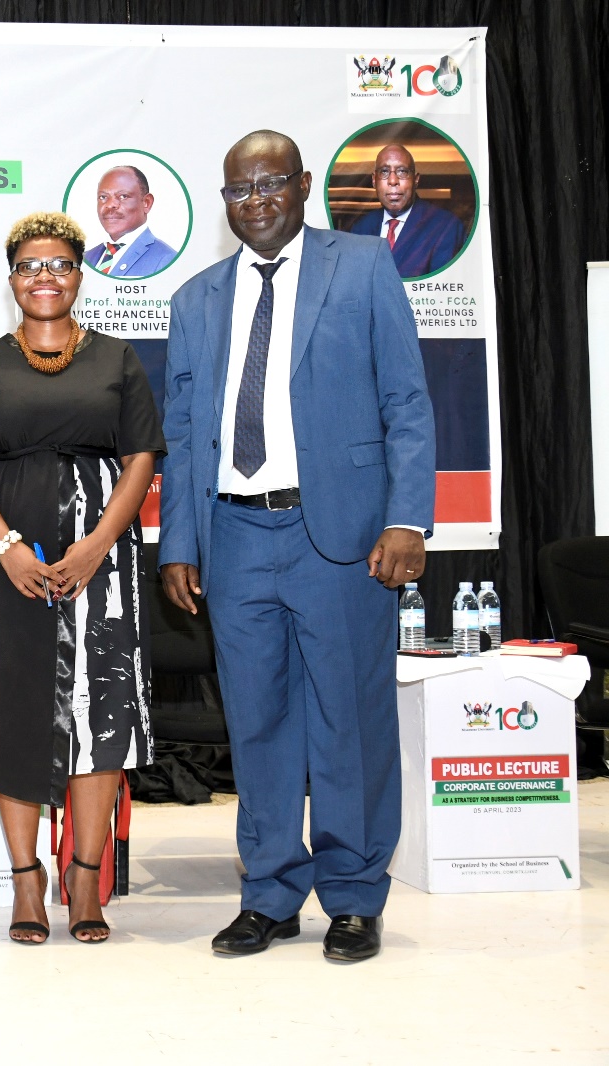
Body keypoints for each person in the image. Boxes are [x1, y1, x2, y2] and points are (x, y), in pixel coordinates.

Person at [159, 131, 435, 963]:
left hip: (341, 534)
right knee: (258, 720)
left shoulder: (361, 268)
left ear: (304, 185)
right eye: (240, 191)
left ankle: (353, 895)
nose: (258, 201)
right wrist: (179, 540)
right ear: (225, 203)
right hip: (234, 534)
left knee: (348, 719)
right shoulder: (195, 298)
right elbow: (180, 433)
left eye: (272, 183)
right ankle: (271, 892)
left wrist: (407, 519)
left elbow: (408, 401)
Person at [0, 212, 163, 944]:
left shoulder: (118, 359)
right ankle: (27, 884)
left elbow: (140, 459)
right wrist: (7, 546)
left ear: (79, 275)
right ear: (12, 281)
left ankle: (86, 882)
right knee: (14, 712)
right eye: (31, 266)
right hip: (11, 566)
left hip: (104, 564)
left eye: (60, 264)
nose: (45, 276)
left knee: (99, 720)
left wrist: (99, 544)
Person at [347, 144, 464, 278]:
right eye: (384, 171)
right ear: (374, 180)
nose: (392, 181)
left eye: (402, 171)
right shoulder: (361, 228)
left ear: (416, 180)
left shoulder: (445, 226)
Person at [82, 166, 178, 278]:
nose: (110, 205)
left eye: (123, 196)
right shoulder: (85, 258)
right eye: (103, 197)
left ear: (146, 203)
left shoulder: (166, 260)